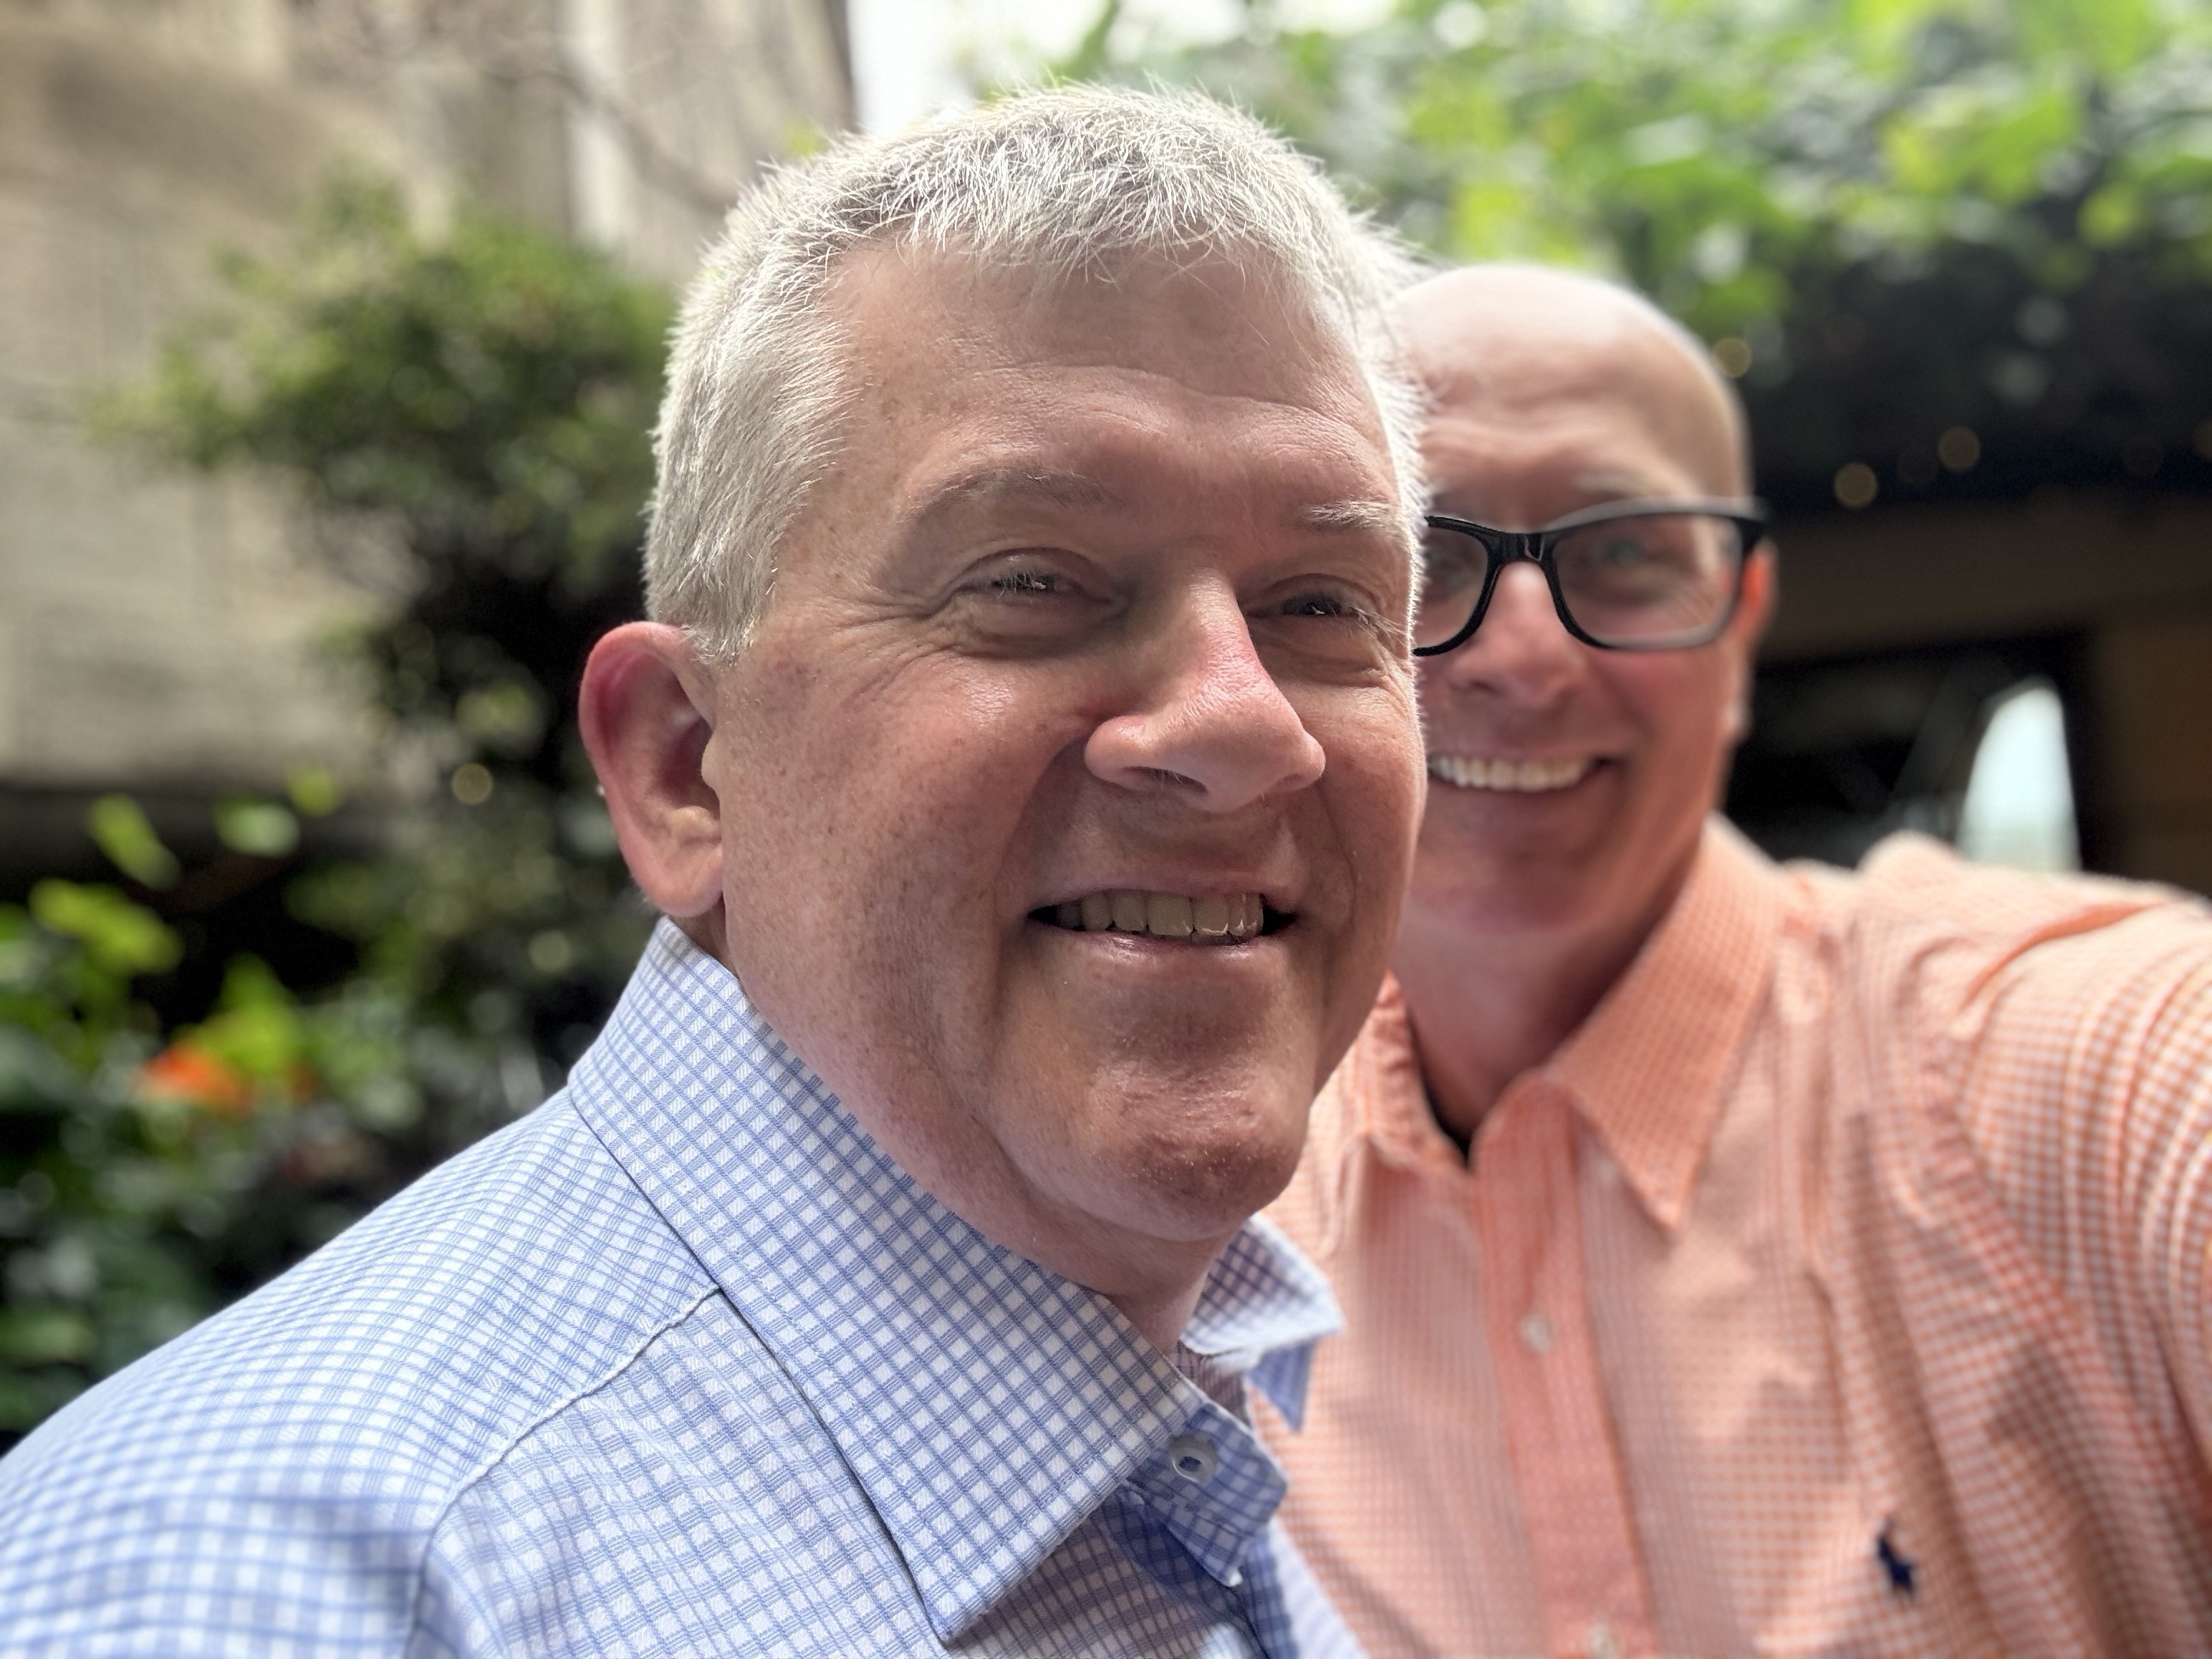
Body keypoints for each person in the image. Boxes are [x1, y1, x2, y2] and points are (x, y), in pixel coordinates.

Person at [0, 88, 1431, 1656]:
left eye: (1324, 605)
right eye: (1032, 580)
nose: (1243, 725)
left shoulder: (1187, 1389)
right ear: (685, 767)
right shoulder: (277, 1590)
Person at [1256, 263, 2212, 1658]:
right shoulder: (1209, 1210)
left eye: (1623, 552)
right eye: (1424, 552)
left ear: (1742, 610)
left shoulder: (2059, 1072)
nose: (1524, 658)